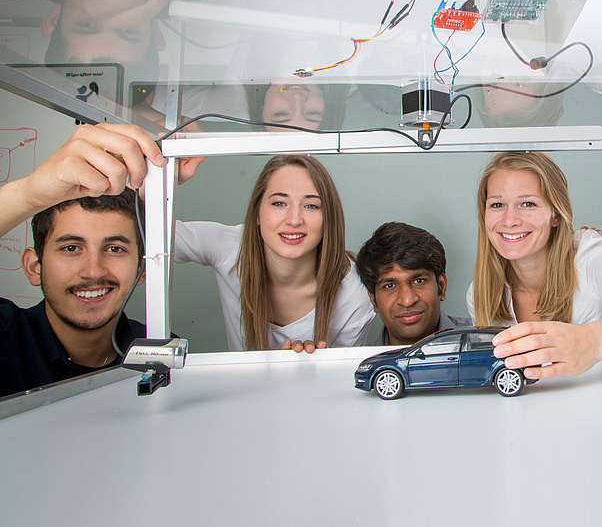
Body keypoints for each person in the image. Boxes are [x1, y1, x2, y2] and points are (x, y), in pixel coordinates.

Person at [0, 124, 166, 397]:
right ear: (34, 267)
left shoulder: (157, 350)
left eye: (114, 249)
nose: (93, 271)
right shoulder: (5, 336)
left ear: (142, 269)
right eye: (71, 248)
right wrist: (27, 194)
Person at [174, 155, 375, 353]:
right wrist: (165, 179)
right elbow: (149, 237)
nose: (294, 220)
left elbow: (341, 380)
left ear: (328, 219)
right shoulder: (230, 246)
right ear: (257, 213)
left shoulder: (354, 295)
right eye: (279, 203)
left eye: (311, 205)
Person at [468, 151, 602, 380]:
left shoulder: (596, 257)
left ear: (555, 214)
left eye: (527, 204)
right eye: (497, 205)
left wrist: (598, 339)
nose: (509, 220)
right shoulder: (479, 295)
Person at [356, 222, 471, 346]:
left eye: (418, 281)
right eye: (390, 286)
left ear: (441, 287)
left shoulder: (486, 341)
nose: (407, 301)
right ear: (373, 300)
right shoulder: (359, 363)